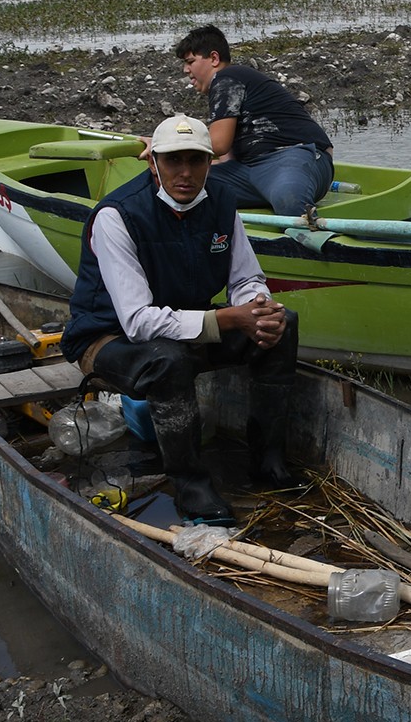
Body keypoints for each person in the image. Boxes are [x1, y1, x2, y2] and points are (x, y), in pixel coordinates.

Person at [61, 114, 300, 523]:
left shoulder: (222, 204)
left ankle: (269, 460)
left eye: (196, 161)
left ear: (211, 162)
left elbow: (246, 276)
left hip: (182, 326)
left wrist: (259, 307)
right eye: (174, 161)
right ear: (153, 162)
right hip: (108, 338)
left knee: (283, 324)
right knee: (167, 361)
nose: (185, 173)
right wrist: (226, 319)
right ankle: (191, 486)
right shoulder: (117, 216)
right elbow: (137, 321)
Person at [174, 24, 334, 216]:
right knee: (174, 186)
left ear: (214, 58)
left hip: (292, 156)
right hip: (247, 171)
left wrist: (169, 144)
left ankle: (309, 239)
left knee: (289, 198)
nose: (185, 69)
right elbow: (227, 156)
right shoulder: (224, 89)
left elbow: (218, 144)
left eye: (190, 61)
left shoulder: (227, 78)